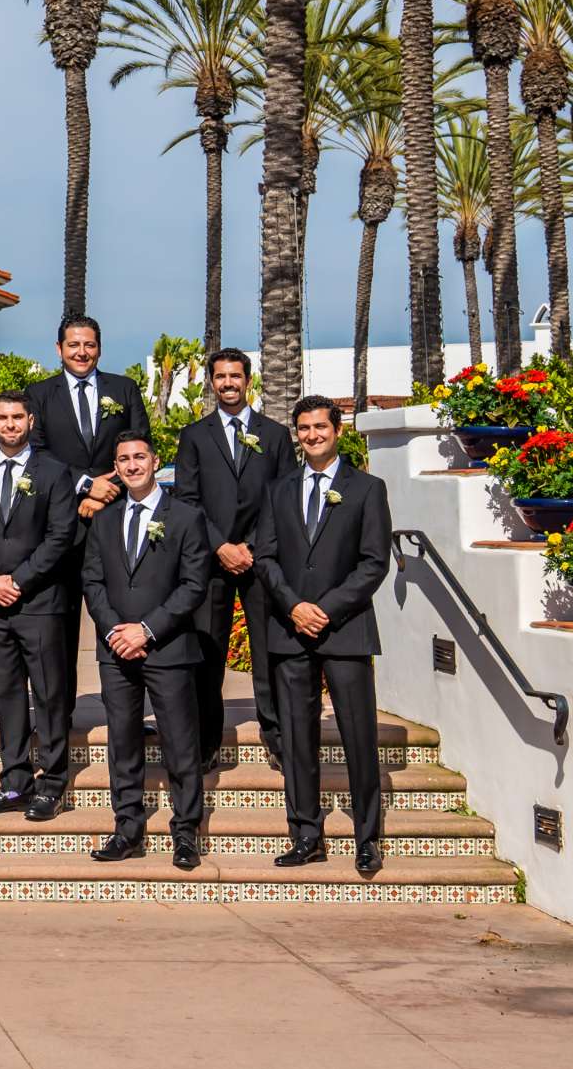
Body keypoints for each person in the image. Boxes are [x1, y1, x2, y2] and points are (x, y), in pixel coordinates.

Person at [254, 394, 394, 877]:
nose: (312, 435)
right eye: (304, 428)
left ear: (338, 431)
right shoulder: (279, 490)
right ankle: (306, 834)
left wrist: (325, 610)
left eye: (320, 427)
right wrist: (294, 607)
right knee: (296, 738)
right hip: (290, 632)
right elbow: (265, 556)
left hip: (347, 630)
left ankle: (367, 839)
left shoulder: (368, 488)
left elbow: (374, 562)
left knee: (358, 736)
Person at [81, 432, 211, 868]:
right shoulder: (104, 520)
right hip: (116, 648)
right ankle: (127, 827)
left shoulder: (187, 517)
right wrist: (115, 631)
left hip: (169, 647)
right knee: (122, 741)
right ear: (115, 468)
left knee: (179, 742)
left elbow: (194, 585)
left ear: (155, 461)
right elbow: (93, 581)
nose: (132, 465)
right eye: (123, 460)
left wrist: (147, 630)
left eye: (139, 457)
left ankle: (186, 831)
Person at [0, 393, 78, 820]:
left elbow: (61, 536)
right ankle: (15, 781)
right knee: (6, 694)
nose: (10, 424)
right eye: (2, 418)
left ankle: (53, 782)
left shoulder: (55, 472)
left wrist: (18, 581)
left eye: (17, 417)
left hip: (39, 601)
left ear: (30, 420)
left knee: (48, 693)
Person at [22, 315, 150, 721]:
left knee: (117, 614)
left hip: (116, 523)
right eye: (73, 345)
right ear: (59, 349)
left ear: (100, 347)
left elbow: (139, 445)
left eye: (89, 345)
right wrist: (84, 486)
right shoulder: (38, 395)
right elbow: (36, 454)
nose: (82, 352)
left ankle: (125, 714)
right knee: (58, 625)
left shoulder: (123, 390)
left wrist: (106, 492)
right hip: (60, 526)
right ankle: (58, 715)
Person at [171, 347, 288, 764]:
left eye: (235, 376)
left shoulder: (274, 435)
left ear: (248, 380)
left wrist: (252, 546)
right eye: (220, 377)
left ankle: (276, 737)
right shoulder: (194, 436)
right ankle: (207, 743)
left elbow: (284, 497)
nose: (228, 383)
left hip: (261, 561)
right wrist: (220, 545)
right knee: (208, 654)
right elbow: (186, 500)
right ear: (211, 382)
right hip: (210, 560)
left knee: (268, 653)